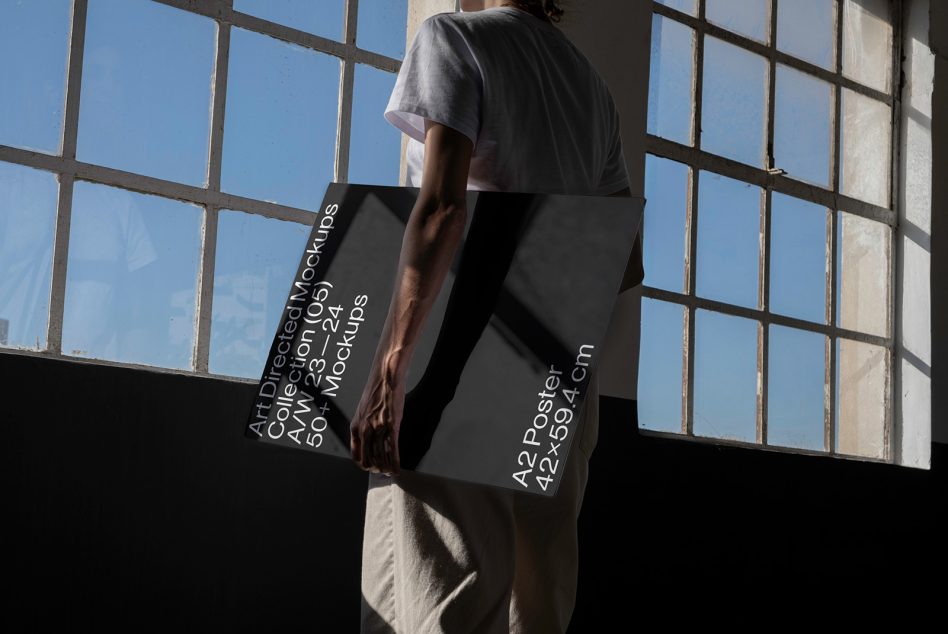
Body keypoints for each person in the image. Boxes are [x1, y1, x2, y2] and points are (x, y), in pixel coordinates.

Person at [348, 1, 643, 632]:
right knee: (537, 605)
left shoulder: (453, 38)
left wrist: (390, 367)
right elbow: (626, 262)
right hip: (559, 367)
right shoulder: (594, 92)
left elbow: (441, 210)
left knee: (438, 596)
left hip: (464, 349)